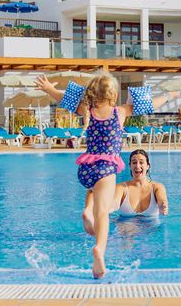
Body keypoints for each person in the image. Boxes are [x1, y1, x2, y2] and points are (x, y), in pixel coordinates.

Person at [36, 72, 173, 279]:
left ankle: (86, 211)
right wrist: (169, 95)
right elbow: (150, 105)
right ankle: (99, 249)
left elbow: (62, 98)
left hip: (86, 167)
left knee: (93, 190)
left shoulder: (87, 111)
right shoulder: (120, 112)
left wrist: (48, 88)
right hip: (106, 166)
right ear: (113, 94)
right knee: (103, 212)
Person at [82, 149, 168, 237]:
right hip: (126, 228)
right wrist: (106, 208)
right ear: (130, 166)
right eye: (134, 162)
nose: (137, 166)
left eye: (141, 162)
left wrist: (163, 207)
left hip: (151, 228)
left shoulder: (157, 187)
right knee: (126, 233)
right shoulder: (122, 188)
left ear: (148, 166)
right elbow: (114, 203)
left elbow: (162, 201)